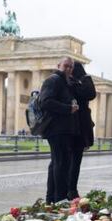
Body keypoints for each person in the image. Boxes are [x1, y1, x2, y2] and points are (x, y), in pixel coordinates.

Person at [38, 57, 79, 204]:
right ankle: (59, 198)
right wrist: (68, 109)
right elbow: (45, 101)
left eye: (71, 67)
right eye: (66, 66)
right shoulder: (53, 80)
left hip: (63, 129)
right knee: (61, 163)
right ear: (59, 65)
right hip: (56, 129)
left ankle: (51, 199)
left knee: (57, 163)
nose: (68, 69)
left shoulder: (66, 82)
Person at [68, 61, 96, 200]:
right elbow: (91, 93)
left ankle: (70, 189)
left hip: (75, 127)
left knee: (71, 160)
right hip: (75, 127)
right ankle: (70, 189)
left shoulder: (73, 84)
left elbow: (90, 94)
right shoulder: (77, 84)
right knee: (73, 161)